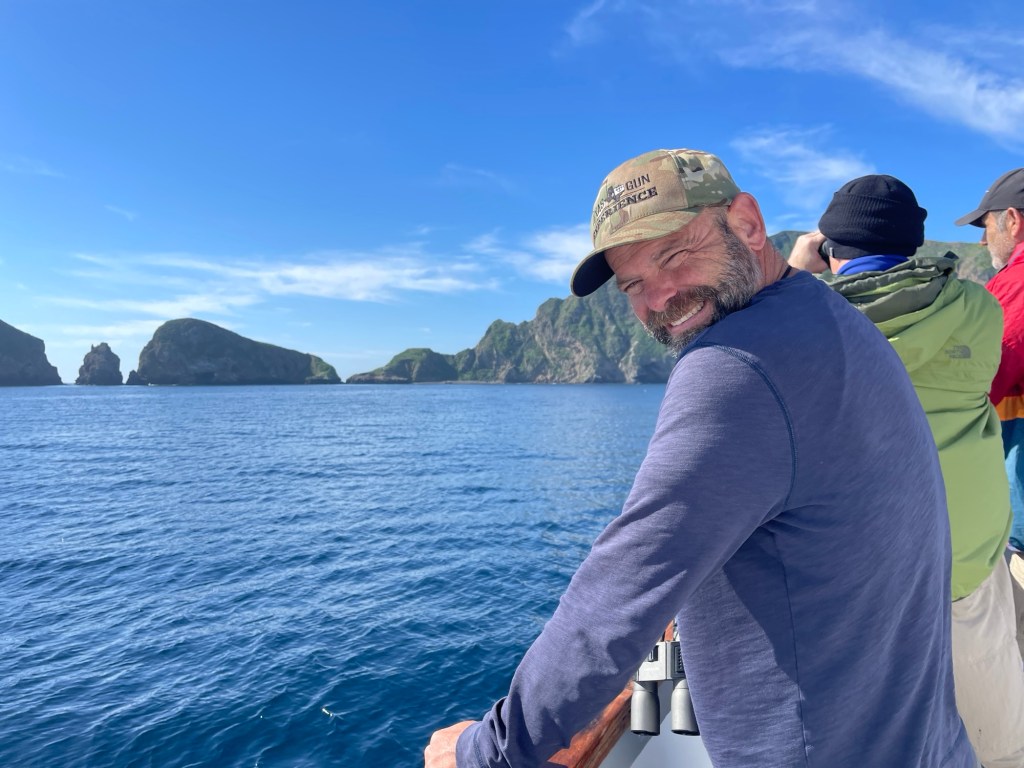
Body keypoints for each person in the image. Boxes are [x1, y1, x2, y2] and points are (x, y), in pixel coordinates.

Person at [425, 149, 975, 767]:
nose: (660, 296)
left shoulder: (734, 367)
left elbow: (616, 598)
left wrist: (485, 751)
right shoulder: (830, 316)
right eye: (632, 284)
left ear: (747, 223)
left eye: (674, 253)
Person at [788, 174, 1024, 767]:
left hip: (866, 574)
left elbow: (761, 347)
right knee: (998, 740)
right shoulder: (978, 309)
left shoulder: (806, 320)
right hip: (966, 552)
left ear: (830, 247)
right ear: (913, 242)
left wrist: (794, 270)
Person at [956, 167, 1024, 663]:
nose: (982, 241)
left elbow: (976, 384)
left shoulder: (1014, 288)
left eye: (986, 226)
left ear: (1013, 220)